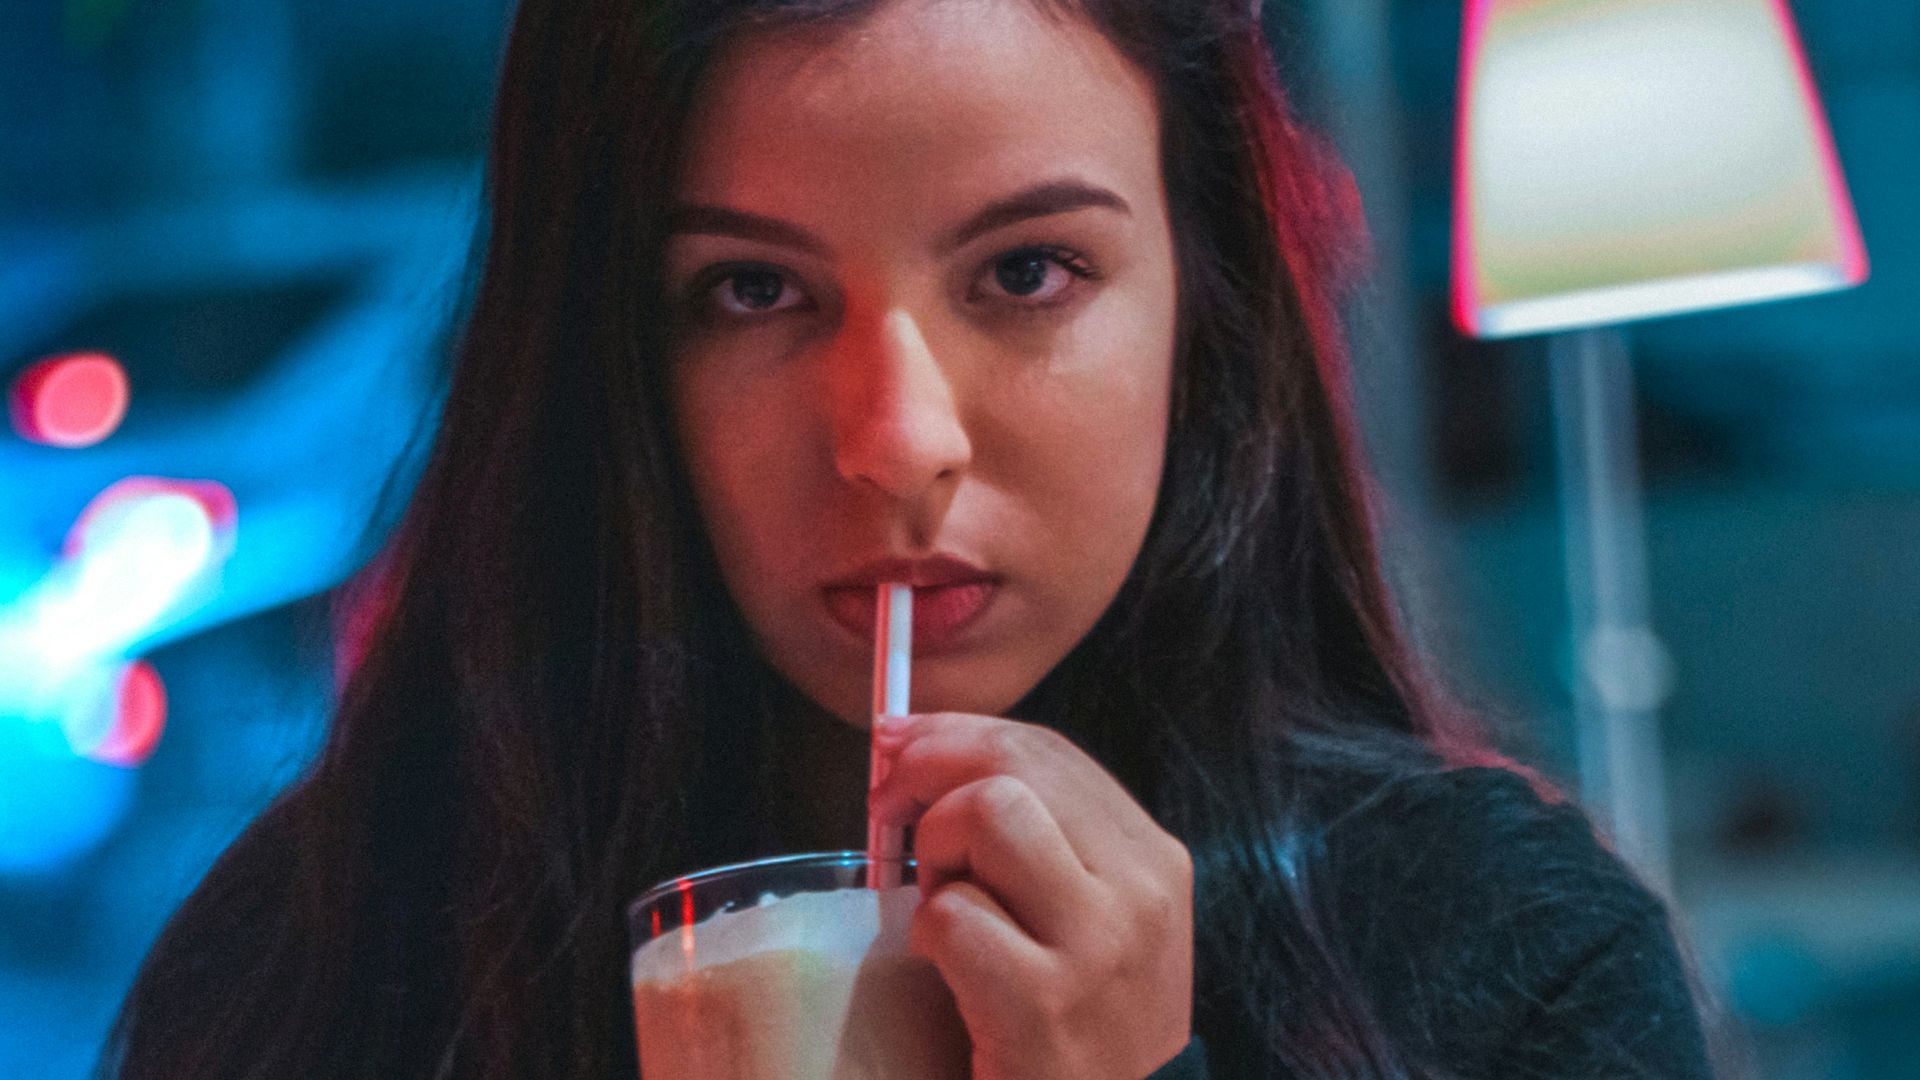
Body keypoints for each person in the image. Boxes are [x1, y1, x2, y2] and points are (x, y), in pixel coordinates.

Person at [104, 0, 1721, 1077]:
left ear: (1202, 314)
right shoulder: (321, 964)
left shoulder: (1505, 963)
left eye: (1027, 273)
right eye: (754, 291)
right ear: (603, 354)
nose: (897, 440)